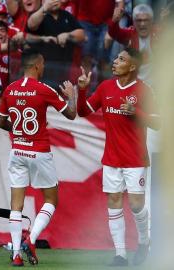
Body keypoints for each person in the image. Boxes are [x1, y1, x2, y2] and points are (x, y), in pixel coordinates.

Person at [76, 47, 160, 266]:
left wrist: (136, 112)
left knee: (134, 204)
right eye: (116, 57)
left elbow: (158, 123)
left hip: (135, 158)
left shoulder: (144, 90)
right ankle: (120, 255)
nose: (115, 61)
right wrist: (82, 90)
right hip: (111, 158)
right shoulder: (105, 87)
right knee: (113, 203)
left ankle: (143, 241)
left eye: (121, 59)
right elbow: (83, 111)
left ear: (132, 66)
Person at [0, 49, 76, 266]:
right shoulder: (44, 89)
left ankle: (15, 254)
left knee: (16, 204)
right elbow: (71, 114)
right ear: (36, 65)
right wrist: (72, 96)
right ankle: (30, 240)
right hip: (39, 151)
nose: (44, 68)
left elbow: (2, 123)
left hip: (18, 151)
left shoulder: (10, 89)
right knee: (51, 199)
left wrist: (21, 131)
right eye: (42, 64)